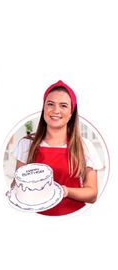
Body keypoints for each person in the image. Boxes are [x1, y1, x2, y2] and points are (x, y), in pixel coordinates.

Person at [13, 80, 103, 216]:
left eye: (63, 106)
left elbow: (92, 194)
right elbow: (17, 184)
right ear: (44, 108)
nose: (56, 111)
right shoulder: (26, 144)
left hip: (74, 216)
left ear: (71, 113)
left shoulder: (84, 146)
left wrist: (64, 191)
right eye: (50, 104)